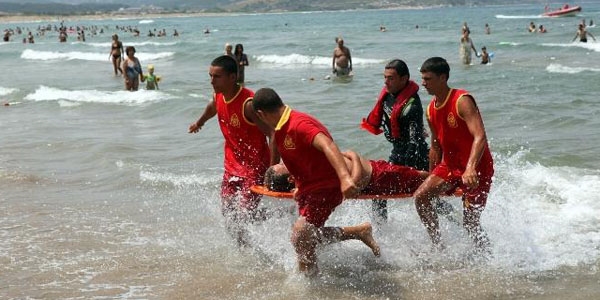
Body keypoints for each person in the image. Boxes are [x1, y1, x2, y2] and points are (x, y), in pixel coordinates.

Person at [252, 87, 380, 277]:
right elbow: (300, 162)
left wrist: (345, 179)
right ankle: (356, 233)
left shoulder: (299, 123)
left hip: (327, 185)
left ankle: (310, 282)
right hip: (310, 188)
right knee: (303, 237)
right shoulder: (280, 130)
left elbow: (328, 144)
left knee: (301, 234)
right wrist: (298, 186)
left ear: (261, 114)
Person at [188, 55, 275, 247]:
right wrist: (199, 122)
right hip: (231, 165)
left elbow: (273, 133)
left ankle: (258, 242)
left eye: (217, 77)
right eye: (210, 76)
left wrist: (272, 168)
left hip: (255, 167)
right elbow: (213, 108)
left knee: (244, 216)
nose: (212, 81)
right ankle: (244, 250)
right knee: (228, 214)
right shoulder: (218, 95)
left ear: (232, 77)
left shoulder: (249, 104)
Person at [416, 57, 494, 252]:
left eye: (428, 79)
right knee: (421, 197)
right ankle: (438, 247)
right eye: (422, 78)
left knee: (470, 223)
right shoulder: (430, 108)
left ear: (443, 78)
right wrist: (431, 174)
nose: (423, 83)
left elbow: (480, 136)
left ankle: (487, 256)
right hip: (451, 166)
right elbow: (435, 146)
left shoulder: (462, 100)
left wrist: (470, 168)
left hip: (477, 167)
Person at [360, 59, 430, 221]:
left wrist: (404, 171)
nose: (386, 81)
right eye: (385, 77)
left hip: (415, 157)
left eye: (390, 78)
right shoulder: (387, 96)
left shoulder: (411, 105)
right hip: (397, 152)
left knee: (427, 195)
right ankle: (381, 232)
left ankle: (455, 223)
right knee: (378, 193)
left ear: (404, 79)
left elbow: (415, 141)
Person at [264, 150, 428, 197]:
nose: (284, 163)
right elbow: (353, 183)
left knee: (419, 179)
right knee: (420, 177)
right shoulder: (313, 178)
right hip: (379, 176)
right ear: (291, 178)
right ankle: (447, 182)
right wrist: (355, 158)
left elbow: (341, 154)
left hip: (375, 168)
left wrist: (352, 157)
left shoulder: (307, 170)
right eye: (282, 166)